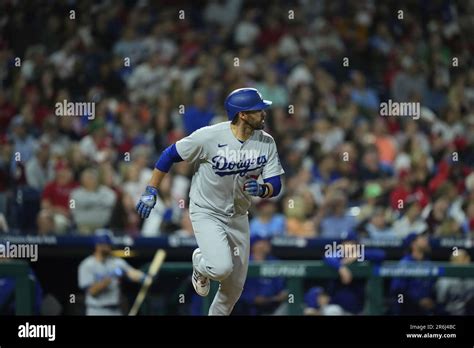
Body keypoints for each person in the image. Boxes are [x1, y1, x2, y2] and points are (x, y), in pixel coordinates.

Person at [136, 88, 285, 315]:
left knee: (234, 289)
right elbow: (169, 155)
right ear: (242, 114)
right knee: (220, 267)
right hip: (207, 211)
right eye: (258, 110)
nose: (264, 113)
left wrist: (264, 189)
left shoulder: (266, 142)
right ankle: (200, 263)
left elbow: (276, 183)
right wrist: (150, 189)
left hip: (238, 215)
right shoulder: (209, 136)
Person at [77, 230, 150, 315]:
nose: (109, 246)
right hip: (96, 310)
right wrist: (109, 277)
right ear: (98, 245)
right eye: (106, 244)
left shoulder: (116, 262)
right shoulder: (87, 265)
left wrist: (145, 277)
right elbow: (92, 291)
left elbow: (132, 273)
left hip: (115, 310)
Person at [390, 231, 436, 315]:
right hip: (408, 308)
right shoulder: (405, 263)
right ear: (413, 244)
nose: (426, 240)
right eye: (421, 239)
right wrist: (418, 301)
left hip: (427, 307)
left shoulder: (429, 263)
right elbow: (397, 291)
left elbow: (433, 287)